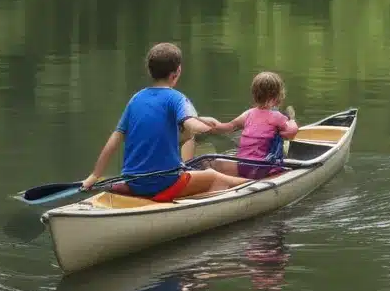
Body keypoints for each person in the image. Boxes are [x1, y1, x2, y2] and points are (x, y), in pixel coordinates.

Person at [80, 42, 242, 201]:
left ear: (150, 72)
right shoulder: (177, 99)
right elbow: (190, 124)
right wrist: (209, 128)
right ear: (177, 72)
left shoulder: (136, 99)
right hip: (165, 183)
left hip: (134, 182)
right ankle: (256, 185)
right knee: (214, 177)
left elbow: (114, 140)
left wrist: (95, 175)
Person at [209, 71, 299, 178]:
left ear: (254, 94)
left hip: (242, 165)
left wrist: (212, 124)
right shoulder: (277, 117)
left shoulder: (248, 114)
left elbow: (227, 127)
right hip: (263, 168)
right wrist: (292, 120)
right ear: (278, 96)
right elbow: (291, 133)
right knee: (285, 166)